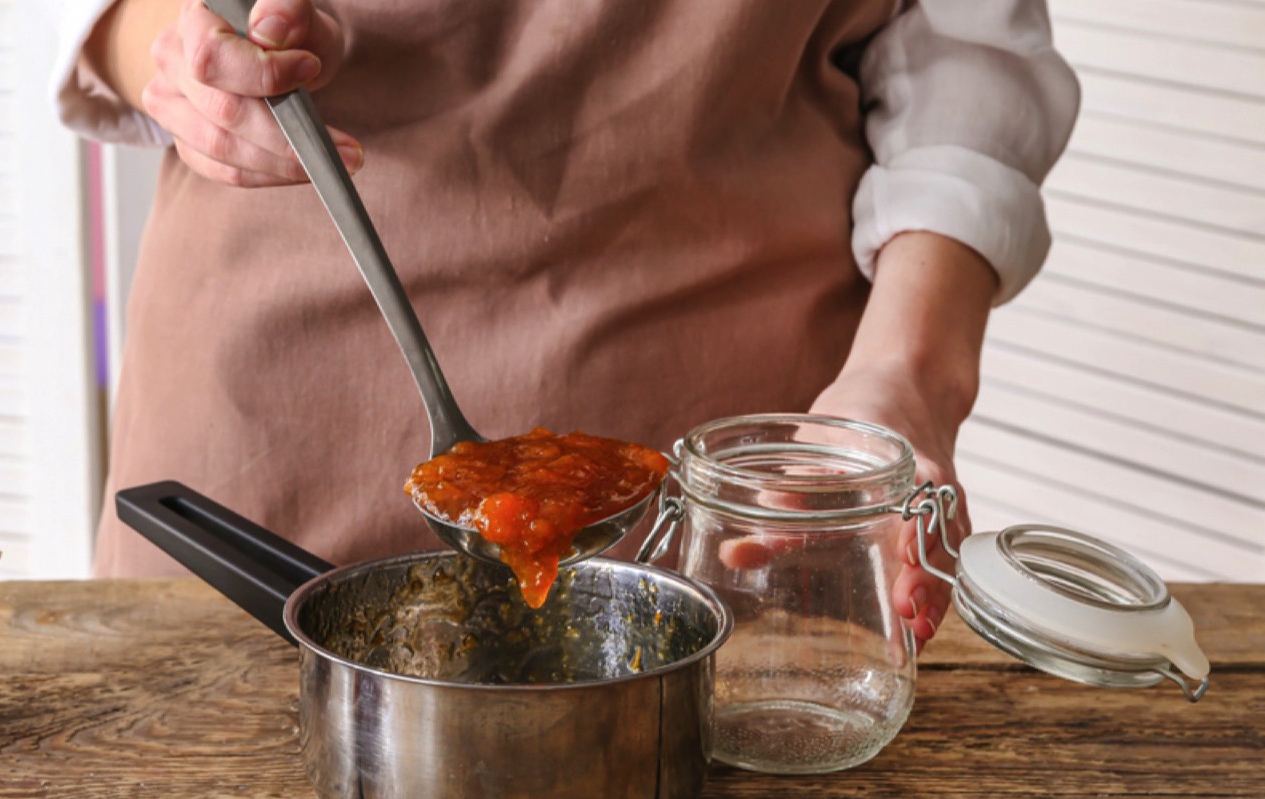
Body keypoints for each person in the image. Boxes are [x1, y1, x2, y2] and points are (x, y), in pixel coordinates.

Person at [52, 0, 1079, 647]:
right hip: (270, 401)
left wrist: (906, 374)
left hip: (739, 471)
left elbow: (967, 54)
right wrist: (177, 45)